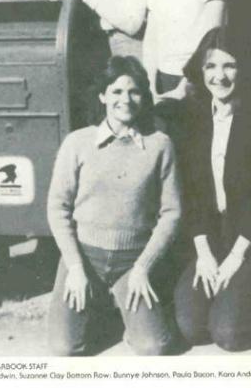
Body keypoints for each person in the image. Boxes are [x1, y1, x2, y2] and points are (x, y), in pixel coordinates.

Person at [47, 56, 181, 356]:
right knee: (64, 347)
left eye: (134, 92)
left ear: (143, 97)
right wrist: (75, 268)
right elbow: (58, 208)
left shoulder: (160, 145)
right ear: (103, 96)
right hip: (84, 258)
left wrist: (143, 267)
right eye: (117, 91)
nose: (126, 99)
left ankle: (124, 309)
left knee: (153, 347)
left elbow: (172, 213)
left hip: (132, 263)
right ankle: (100, 306)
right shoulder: (77, 143)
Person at [174, 27, 251, 352]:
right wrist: (204, 254)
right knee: (191, 327)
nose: (219, 76)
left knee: (228, 333)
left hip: (246, 239)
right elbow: (193, 196)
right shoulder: (196, 119)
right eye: (211, 66)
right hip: (214, 238)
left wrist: (236, 258)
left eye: (229, 65)